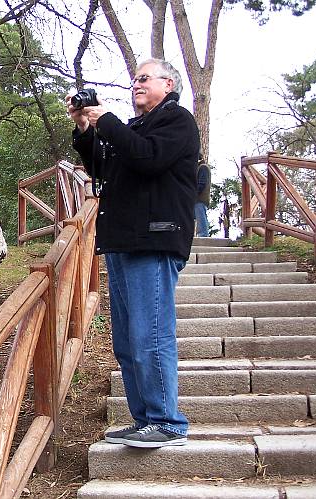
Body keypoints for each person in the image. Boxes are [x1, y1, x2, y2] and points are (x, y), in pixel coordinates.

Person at [66, 58, 199, 448]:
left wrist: (106, 120)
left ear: (168, 84)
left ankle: (167, 422)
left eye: (144, 78)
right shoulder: (136, 126)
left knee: (150, 335)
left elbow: (148, 158)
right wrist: (85, 128)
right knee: (126, 341)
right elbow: (103, 169)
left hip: (154, 240)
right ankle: (145, 421)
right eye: (133, 80)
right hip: (124, 241)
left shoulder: (177, 120)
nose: (136, 84)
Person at [195, 158, 211, 237]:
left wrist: (194, 194)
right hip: (198, 198)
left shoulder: (203, 167)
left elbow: (202, 183)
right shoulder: (200, 168)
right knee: (199, 217)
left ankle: (203, 235)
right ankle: (202, 234)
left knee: (201, 217)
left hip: (200, 198)